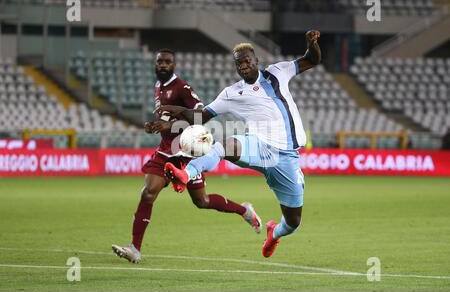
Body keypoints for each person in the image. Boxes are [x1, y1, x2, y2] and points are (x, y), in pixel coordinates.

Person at [160, 31, 321, 258]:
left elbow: (312, 59)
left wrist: (312, 44)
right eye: (239, 63)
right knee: (225, 146)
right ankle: (186, 174)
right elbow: (201, 116)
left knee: (293, 222)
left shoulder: (278, 72)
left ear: (256, 60)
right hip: (258, 146)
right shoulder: (231, 93)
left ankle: (274, 233)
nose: (243, 65)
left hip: (286, 159)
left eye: (247, 60)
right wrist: (174, 115)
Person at [112, 49, 262, 264]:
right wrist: (157, 126)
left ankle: (244, 210)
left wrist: (169, 124)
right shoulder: (158, 87)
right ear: (155, 65)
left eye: (167, 62)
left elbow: (200, 116)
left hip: (187, 154)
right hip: (165, 151)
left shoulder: (182, 87)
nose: (163, 65)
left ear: (174, 65)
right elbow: (166, 121)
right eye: (159, 62)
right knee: (148, 193)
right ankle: (135, 248)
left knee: (202, 201)